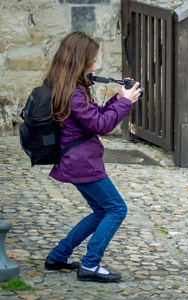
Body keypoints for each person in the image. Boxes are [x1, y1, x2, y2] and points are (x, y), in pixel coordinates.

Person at [43, 31, 142, 282]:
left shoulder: (65, 84)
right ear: (80, 60)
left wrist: (119, 98)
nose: (95, 66)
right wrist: (125, 103)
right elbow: (101, 126)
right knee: (116, 209)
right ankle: (90, 265)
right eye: (93, 61)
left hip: (76, 159)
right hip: (81, 162)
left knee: (101, 210)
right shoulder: (73, 92)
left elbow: (93, 117)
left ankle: (59, 255)